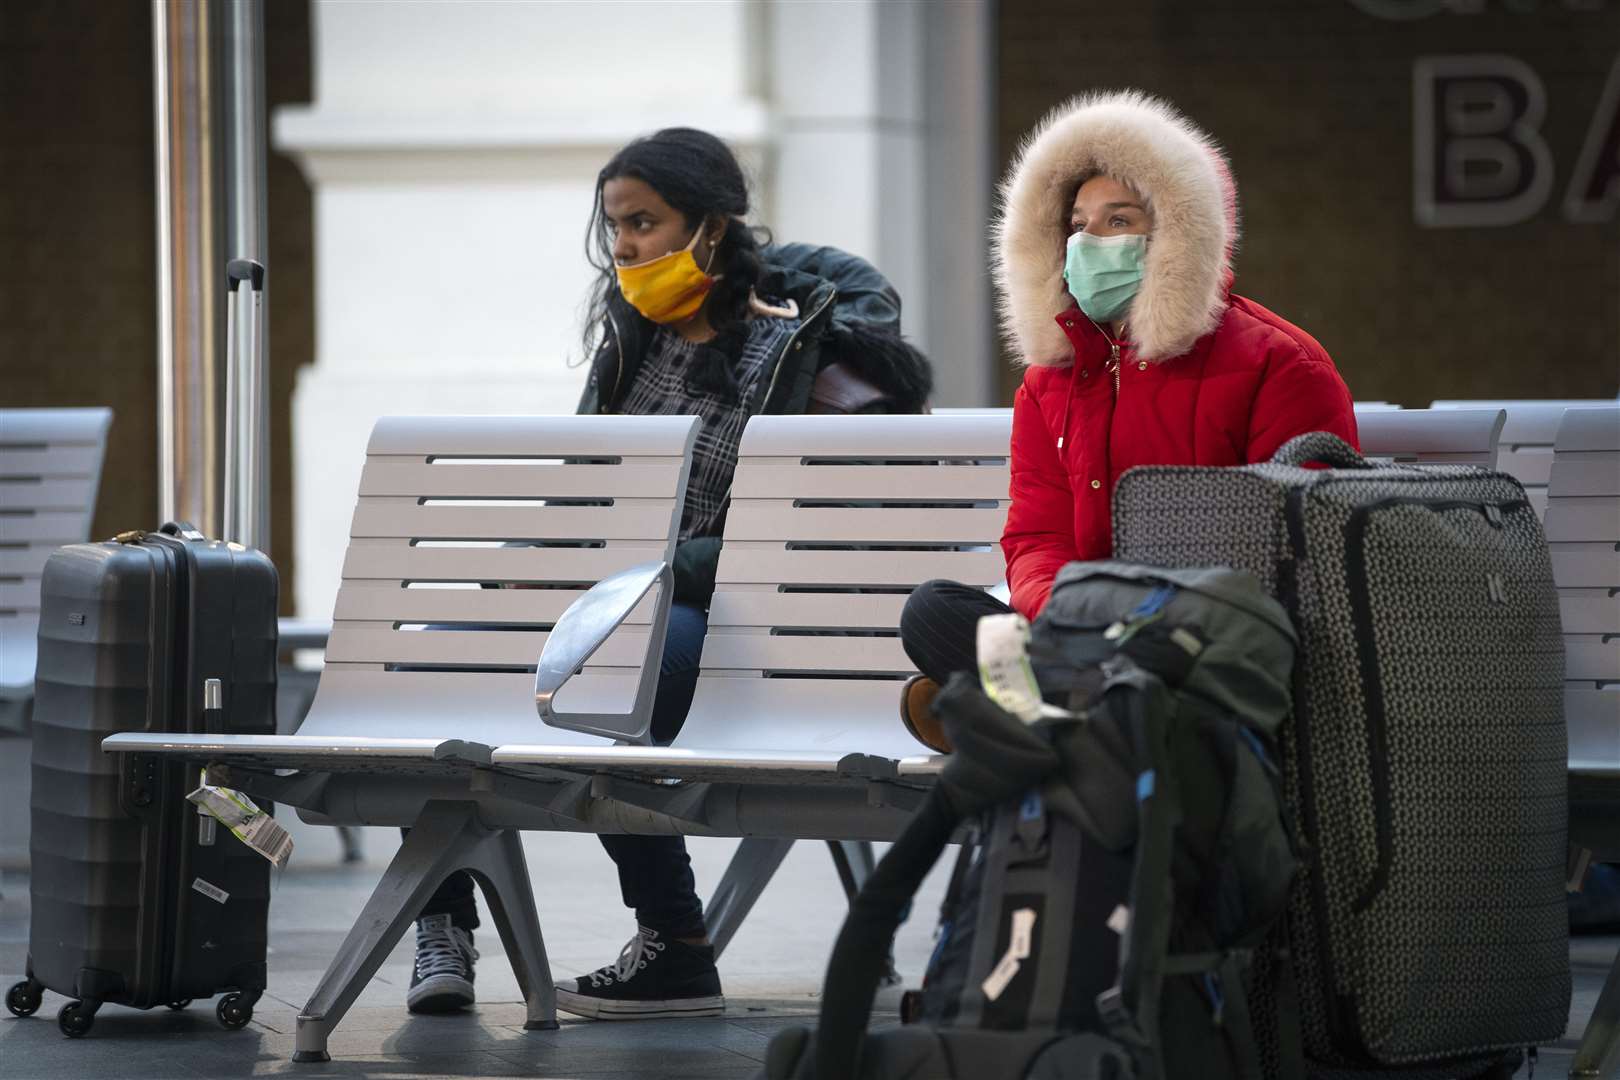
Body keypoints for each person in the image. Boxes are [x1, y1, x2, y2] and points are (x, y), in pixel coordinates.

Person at [404, 127, 932, 1018]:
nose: (624, 248)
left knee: (617, 662)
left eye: (644, 223)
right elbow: (588, 494)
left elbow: (800, 535)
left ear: (713, 227)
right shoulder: (629, 342)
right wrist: (528, 577)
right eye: (615, 227)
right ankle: (440, 921)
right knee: (434, 655)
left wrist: (646, 576)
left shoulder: (792, 345)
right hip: (623, 600)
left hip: (734, 611)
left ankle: (676, 943)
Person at [898, 90, 1358, 753]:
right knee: (937, 612)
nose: (1089, 240)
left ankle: (1013, 712)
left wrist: (1135, 616)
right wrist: (1068, 612)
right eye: (1078, 223)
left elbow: (1298, 553)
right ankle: (1071, 713)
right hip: (1081, 633)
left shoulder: (1279, 364)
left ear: (1176, 231)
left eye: (1119, 220)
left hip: (1206, 646)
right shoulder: (1049, 382)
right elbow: (1036, 536)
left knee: (1087, 664)